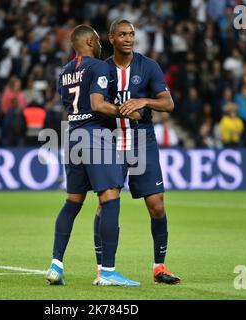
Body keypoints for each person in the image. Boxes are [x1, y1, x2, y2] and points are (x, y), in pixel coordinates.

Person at [45, 24, 141, 287]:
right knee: (110, 198)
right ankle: (108, 272)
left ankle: (56, 265)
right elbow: (97, 105)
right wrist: (126, 111)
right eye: (98, 41)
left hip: (72, 134)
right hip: (93, 135)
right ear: (89, 42)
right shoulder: (98, 67)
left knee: (72, 202)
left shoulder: (64, 72)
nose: (101, 46)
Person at [92, 19, 180, 286]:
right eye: (123, 34)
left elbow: (168, 103)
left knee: (157, 206)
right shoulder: (102, 69)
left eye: (131, 34)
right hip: (111, 143)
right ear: (111, 38)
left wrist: (144, 100)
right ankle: (103, 269)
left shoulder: (149, 66)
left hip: (143, 142)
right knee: (105, 204)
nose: (129, 38)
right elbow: (96, 104)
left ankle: (159, 267)